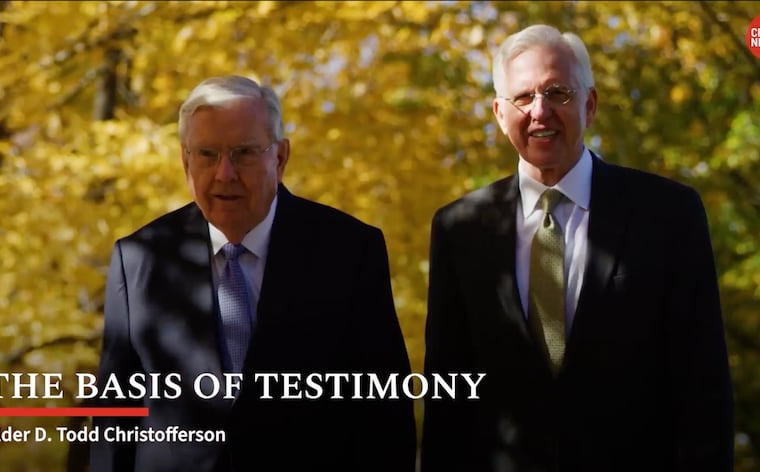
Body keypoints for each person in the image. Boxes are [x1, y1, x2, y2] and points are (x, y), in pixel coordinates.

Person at [421, 24, 733, 471]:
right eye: (523, 97)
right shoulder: (459, 228)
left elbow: (703, 386)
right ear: (498, 113)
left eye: (558, 93)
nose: (540, 111)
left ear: (590, 105)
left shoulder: (668, 215)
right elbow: (450, 393)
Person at [91, 75, 416, 471]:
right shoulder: (138, 258)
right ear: (185, 161)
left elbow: (385, 417)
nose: (224, 173)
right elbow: (114, 419)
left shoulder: (350, 252)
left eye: (244, 153)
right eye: (207, 154)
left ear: (279, 158)